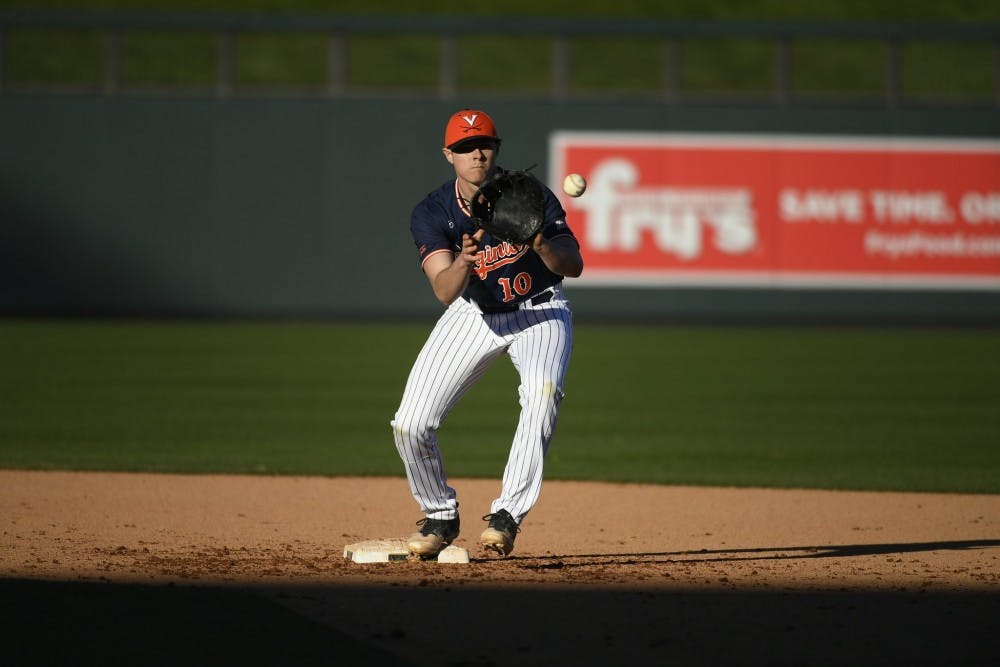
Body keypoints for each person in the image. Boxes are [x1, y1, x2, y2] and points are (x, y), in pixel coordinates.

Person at [391, 109, 584, 558]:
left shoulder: (529, 194)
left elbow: (573, 265)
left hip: (541, 309)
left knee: (542, 392)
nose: (475, 153)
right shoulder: (433, 211)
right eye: (463, 147)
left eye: (484, 144)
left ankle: (507, 516)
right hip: (475, 312)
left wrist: (541, 244)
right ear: (448, 155)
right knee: (410, 423)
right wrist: (463, 260)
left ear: (496, 149)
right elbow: (444, 290)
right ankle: (439, 514)